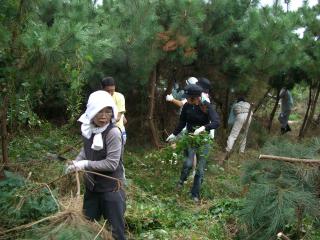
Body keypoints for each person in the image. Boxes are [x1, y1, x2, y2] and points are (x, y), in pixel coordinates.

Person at [66, 90, 126, 240]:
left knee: (116, 233)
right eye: (100, 111)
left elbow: (111, 164)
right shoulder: (88, 129)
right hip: (92, 190)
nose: (104, 116)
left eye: (108, 112)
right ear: (91, 111)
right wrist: (76, 162)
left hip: (111, 191)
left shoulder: (113, 133)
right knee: (87, 229)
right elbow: (86, 150)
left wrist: (85, 164)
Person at [166, 84, 220, 203]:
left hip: (204, 140)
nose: (187, 99)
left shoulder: (206, 106)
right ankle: (181, 181)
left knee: (200, 169)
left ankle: (194, 194)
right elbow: (182, 122)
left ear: (196, 97)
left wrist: (204, 128)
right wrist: (174, 134)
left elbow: (216, 122)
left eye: (189, 97)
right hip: (190, 138)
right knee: (188, 163)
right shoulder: (187, 106)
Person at [101, 77, 127, 143]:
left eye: (112, 90)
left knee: (118, 152)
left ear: (115, 87)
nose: (110, 93)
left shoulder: (119, 97)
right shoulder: (99, 98)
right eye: (107, 91)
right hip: (102, 130)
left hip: (117, 130)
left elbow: (117, 117)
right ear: (103, 89)